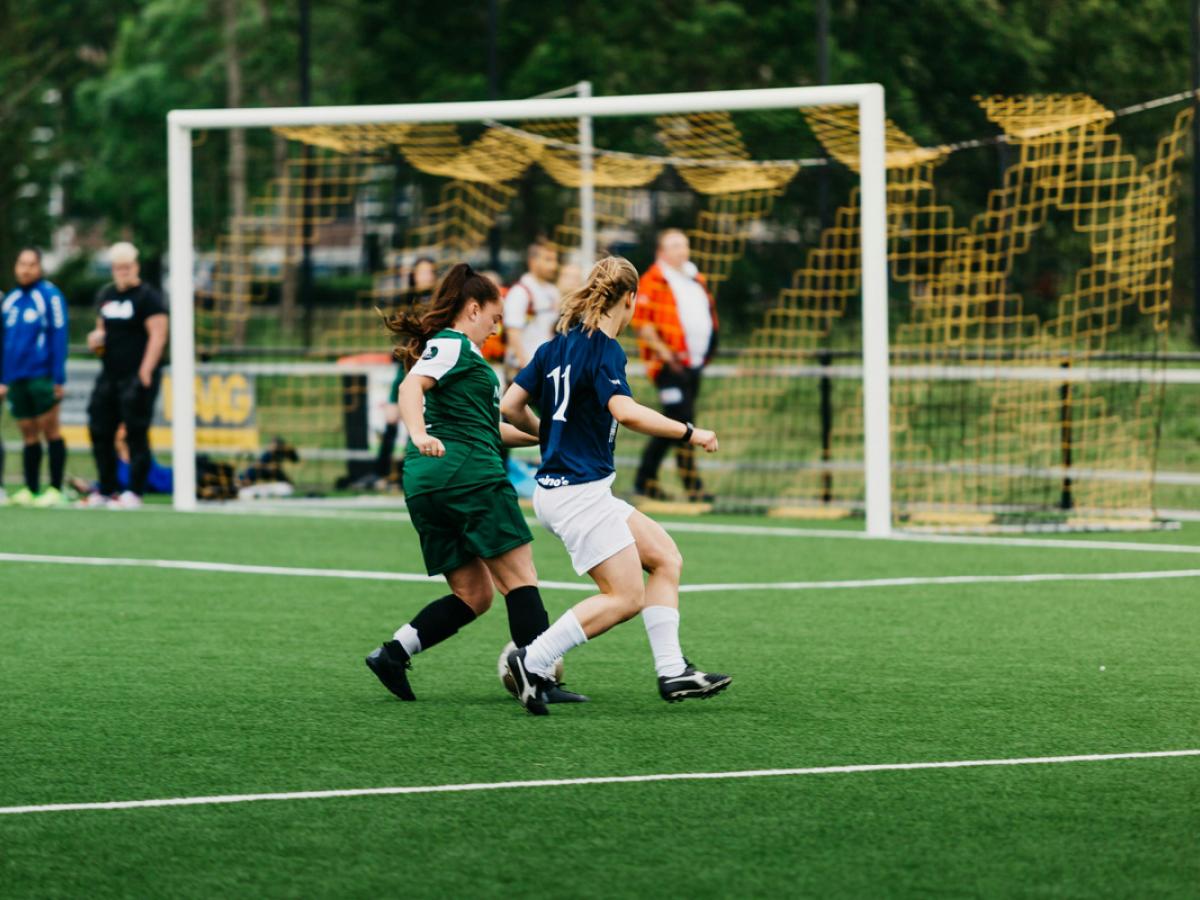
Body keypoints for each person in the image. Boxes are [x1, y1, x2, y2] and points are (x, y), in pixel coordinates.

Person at [500, 256, 731, 716]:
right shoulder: (605, 349)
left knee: (665, 558)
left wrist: (545, 434)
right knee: (625, 597)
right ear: (629, 300)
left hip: (570, 490)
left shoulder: (554, 346)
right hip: (577, 493)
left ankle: (672, 672)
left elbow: (509, 405)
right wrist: (690, 431)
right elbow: (625, 410)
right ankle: (534, 661)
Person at [364, 262, 586, 704]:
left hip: (428, 484)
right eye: (494, 316)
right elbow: (411, 390)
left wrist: (552, 436)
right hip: (468, 475)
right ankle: (537, 676)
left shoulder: (463, 357)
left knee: (474, 594)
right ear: (471, 308)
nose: (497, 326)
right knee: (521, 576)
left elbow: (491, 428)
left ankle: (392, 653)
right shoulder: (451, 345)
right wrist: (419, 434)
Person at [632, 229, 719, 503]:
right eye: (674, 246)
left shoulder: (694, 278)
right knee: (677, 420)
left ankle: (680, 483)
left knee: (683, 421)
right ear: (661, 252)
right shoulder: (653, 281)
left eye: (684, 245)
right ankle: (652, 480)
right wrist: (666, 354)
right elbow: (643, 324)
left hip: (691, 365)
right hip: (668, 365)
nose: (682, 251)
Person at [84, 242, 168, 509]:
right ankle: (106, 489)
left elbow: (158, 334)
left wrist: (146, 370)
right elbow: (101, 334)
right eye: (118, 267)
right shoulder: (106, 295)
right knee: (99, 429)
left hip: (136, 374)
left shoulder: (148, 297)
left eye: (127, 266)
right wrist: (95, 341)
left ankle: (135, 491)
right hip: (110, 374)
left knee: (135, 433)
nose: (123, 271)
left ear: (136, 266)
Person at [0, 248, 69, 507]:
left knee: (50, 430)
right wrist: (4, 379)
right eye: (22, 264)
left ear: (39, 267)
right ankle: (31, 488)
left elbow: (59, 335)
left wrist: (58, 378)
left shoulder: (49, 295)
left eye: (31, 264)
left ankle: (55, 488)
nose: (26, 269)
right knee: (28, 433)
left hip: (42, 376)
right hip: (16, 378)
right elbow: (5, 342)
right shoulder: (11, 300)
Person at [373, 257, 437, 489]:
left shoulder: (440, 305)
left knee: (417, 420)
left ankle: (408, 473)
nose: (425, 277)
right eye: (421, 272)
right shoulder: (405, 302)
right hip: (404, 368)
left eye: (429, 272)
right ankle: (380, 473)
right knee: (391, 417)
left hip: (423, 368)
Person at [503, 241, 560, 377]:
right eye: (548, 259)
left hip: (546, 369)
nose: (554, 265)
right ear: (532, 262)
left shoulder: (553, 292)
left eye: (555, 260)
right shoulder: (520, 291)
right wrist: (527, 371)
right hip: (523, 369)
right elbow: (513, 333)